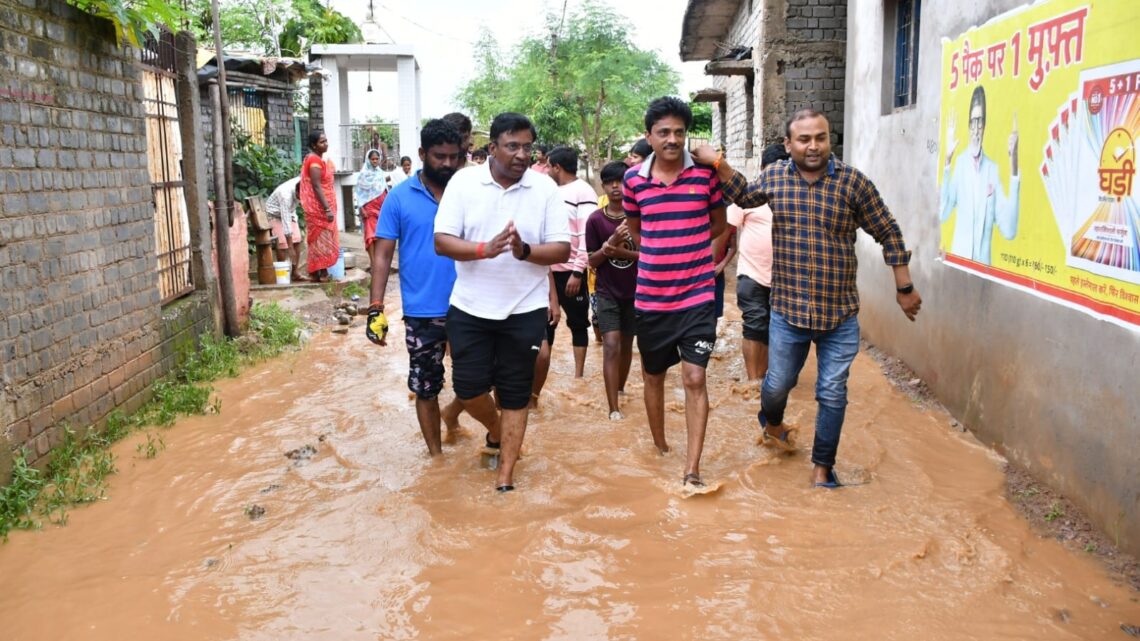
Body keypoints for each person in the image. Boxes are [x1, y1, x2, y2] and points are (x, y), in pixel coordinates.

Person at [693, 109, 923, 489]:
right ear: (789, 145)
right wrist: (718, 162)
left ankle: (822, 468)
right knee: (777, 384)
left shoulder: (853, 183)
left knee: (832, 391)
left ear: (828, 139)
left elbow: (888, 231)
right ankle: (772, 420)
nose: (813, 146)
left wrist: (904, 286)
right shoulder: (775, 178)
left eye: (820, 137)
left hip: (840, 314)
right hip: (788, 310)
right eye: (804, 139)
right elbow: (743, 195)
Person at [434, 112, 571, 493]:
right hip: (469, 307)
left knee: (515, 394)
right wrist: (484, 248)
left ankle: (505, 477)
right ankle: (496, 430)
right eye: (512, 146)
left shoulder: (544, 190)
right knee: (467, 388)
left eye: (527, 147)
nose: (522, 154)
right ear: (491, 148)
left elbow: (562, 247)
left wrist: (524, 250)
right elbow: (442, 241)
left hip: (525, 309)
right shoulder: (464, 182)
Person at [623, 96, 726, 488]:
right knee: (652, 376)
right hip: (651, 298)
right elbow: (637, 230)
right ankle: (661, 446)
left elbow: (717, 224)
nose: (672, 139)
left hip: (698, 296)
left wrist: (691, 252)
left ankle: (692, 468)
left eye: (679, 132)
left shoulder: (704, 176)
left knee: (695, 379)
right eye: (663, 132)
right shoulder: (634, 181)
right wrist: (661, 252)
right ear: (649, 136)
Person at [366, 120, 473, 456]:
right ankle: (436, 460)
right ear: (422, 154)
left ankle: (455, 414)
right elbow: (382, 255)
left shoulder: (470, 191)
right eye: (439, 156)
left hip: (471, 304)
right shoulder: (398, 198)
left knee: (479, 380)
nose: (447, 163)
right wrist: (375, 308)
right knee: (426, 387)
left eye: (454, 156)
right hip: (421, 310)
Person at [939, 84, 1020, 265]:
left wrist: (1013, 165)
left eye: (980, 122)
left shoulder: (993, 169)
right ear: (968, 126)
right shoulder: (959, 165)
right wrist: (947, 162)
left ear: (984, 126)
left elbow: (1009, 229)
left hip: (983, 272)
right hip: (959, 266)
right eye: (973, 122)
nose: (976, 130)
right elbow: (943, 213)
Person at [728, 143, 789, 382]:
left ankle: (767, 378)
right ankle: (753, 382)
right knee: (754, 324)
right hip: (751, 273)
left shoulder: (794, 195)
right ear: (762, 169)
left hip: (786, 277)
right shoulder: (748, 195)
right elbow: (727, 232)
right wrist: (717, 264)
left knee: (777, 328)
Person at [587, 160, 639, 420]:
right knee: (610, 344)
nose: (616, 186)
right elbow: (592, 261)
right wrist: (611, 242)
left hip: (637, 293)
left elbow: (651, 256)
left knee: (628, 344)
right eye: (610, 182)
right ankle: (613, 408)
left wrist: (617, 250)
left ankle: (619, 388)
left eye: (621, 181)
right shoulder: (596, 220)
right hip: (606, 292)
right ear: (603, 186)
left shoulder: (639, 217)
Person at [545, 145, 597, 378]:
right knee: (546, 324)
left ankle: (578, 376)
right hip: (547, 270)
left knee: (577, 323)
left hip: (570, 272)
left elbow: (587, 234)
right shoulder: (550, 191)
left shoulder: (583, 192)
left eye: (548, 166)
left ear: (557, 167)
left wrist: (577, 272)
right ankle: (543, 373)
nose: (546, 170)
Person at [299, 129, 338, 282]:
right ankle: (321, 272)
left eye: (326, 141)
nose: (326, 144)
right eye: (322, 142)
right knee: (319, 240)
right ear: (314, 145)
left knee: (322, 239)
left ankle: (319, 272)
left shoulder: (320, 159)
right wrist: (326, 208)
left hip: (324, 205)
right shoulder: (314, 160)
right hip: (319, 209)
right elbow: (316, 186)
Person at [264, 175, 307, 282]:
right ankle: (282, 275)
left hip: (290, 212)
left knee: (297, 239)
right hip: (274, 213)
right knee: (283, 243)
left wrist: (293, 245)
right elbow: (285, 220)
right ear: (297, 192)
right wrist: (290, 247)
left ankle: (295, 273)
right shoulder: (285, 196)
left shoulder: (303, 183)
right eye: (301, 197)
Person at [355, 149, 388, 264]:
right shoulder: (363, 175)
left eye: (377, 159)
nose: (375, 161)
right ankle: (373, 262)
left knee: (379, 235)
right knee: (370, 235)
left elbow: (384, 189)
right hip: (369, 210)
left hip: (381, 210)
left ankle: (379, 261)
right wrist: (361, 208)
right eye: (372, 159)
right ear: (368, 160)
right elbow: (359, 193)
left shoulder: (380, 173)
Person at [711, 223, 737, 333]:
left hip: (717, 272)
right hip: (698, 272)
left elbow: (733, 247)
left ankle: (710, 339)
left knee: (715, 312)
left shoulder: (729, 221)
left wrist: (722, 265)